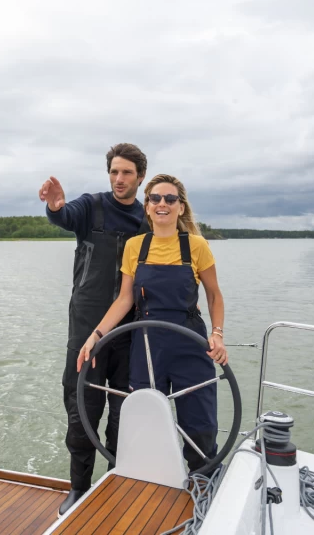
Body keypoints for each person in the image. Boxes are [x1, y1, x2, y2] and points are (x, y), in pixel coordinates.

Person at [77, 173, 227, 474]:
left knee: (200, 423)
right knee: (145, 420)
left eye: (170, 199)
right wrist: (96, 335)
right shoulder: (135, 247)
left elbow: (214, 295)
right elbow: (124, 299)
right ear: (147, 206)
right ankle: (151, 481)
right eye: (155, 198)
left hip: (190, 344)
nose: (162, 204)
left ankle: (204, 480)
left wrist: (217, 334)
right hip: (146, 345)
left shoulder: (196, 246)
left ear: (180, 207)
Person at [39, 143, 151, 516]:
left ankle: (115, 483)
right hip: (85, 328)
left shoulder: (147, 219)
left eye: (127, 173)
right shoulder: (91, 206)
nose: (119, 179)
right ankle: (79, 487)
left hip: (129, 332)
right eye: (114, 172)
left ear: (140, 177)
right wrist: (56, 206)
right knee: (81, 411)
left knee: (123, 414)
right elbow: (64, 215)